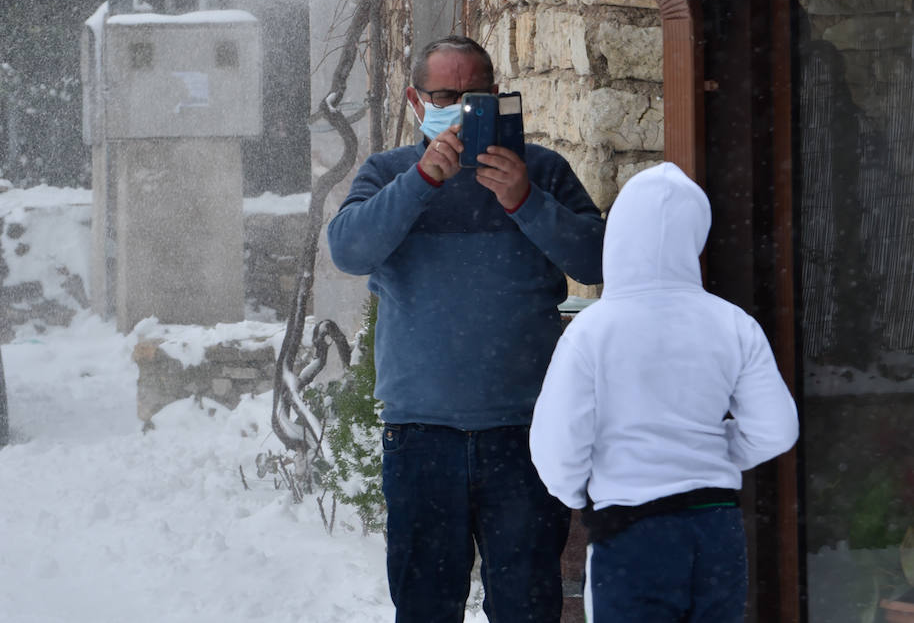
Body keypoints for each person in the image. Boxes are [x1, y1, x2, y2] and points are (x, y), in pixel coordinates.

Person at [327, 34, 604, 623]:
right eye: (446, 95)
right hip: (421, 436)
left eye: (475, 95)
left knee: (527, 606)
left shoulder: (543, 170)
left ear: (499, 99)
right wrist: (421, 181)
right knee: (426, 605)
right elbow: (349, 250)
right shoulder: (388, 173)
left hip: (525, 435)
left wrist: (524, 199)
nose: (460, 106)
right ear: (416, 101)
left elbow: (596, 261)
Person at [529, 161, 798, 623]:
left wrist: (578, 493)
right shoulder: (731, 323)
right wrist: (709, 455)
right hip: (716, 527)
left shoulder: (592, 331)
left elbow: (555, 444)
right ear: (695, 236)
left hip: (631, 531)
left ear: (618, 237)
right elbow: (776, 429)